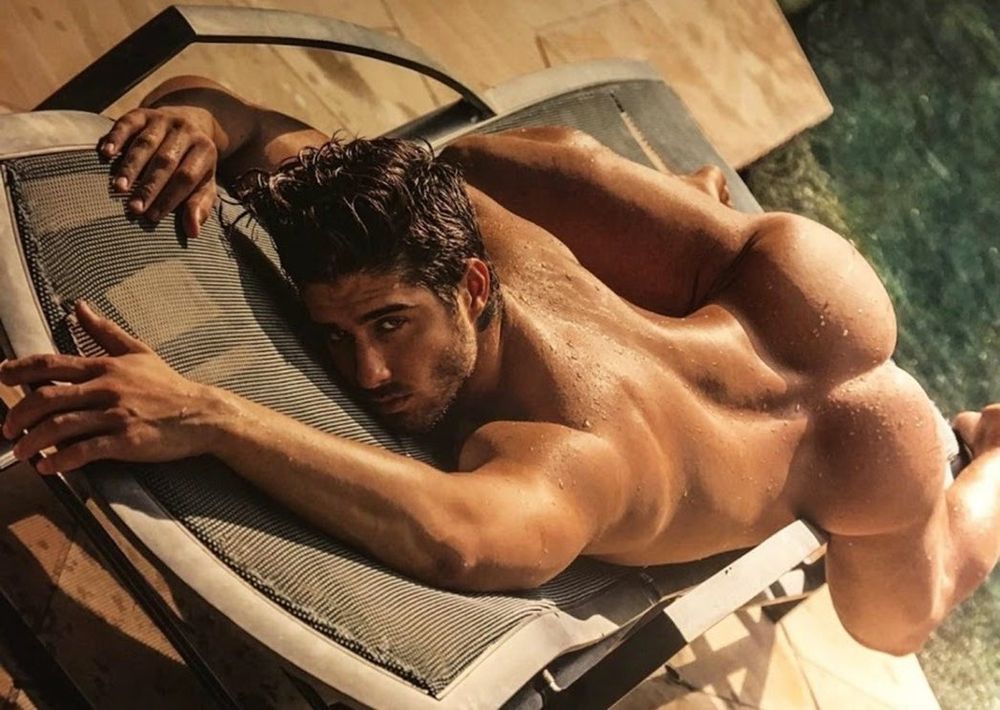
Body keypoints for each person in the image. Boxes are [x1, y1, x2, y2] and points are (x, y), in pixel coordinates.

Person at [1, 76, 998, 657]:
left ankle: (989, 449)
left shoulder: (574, 454)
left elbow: (456, 539)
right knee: (527, 160)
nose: (368, 371)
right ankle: (695, 204)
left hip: (864, 431)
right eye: (338, 336)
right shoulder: (455, 200)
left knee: (896, 620)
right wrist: (204, 117)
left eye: (391, 324)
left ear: (472, 282)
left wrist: (209, 414)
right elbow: (260, 128)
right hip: (795, 291)